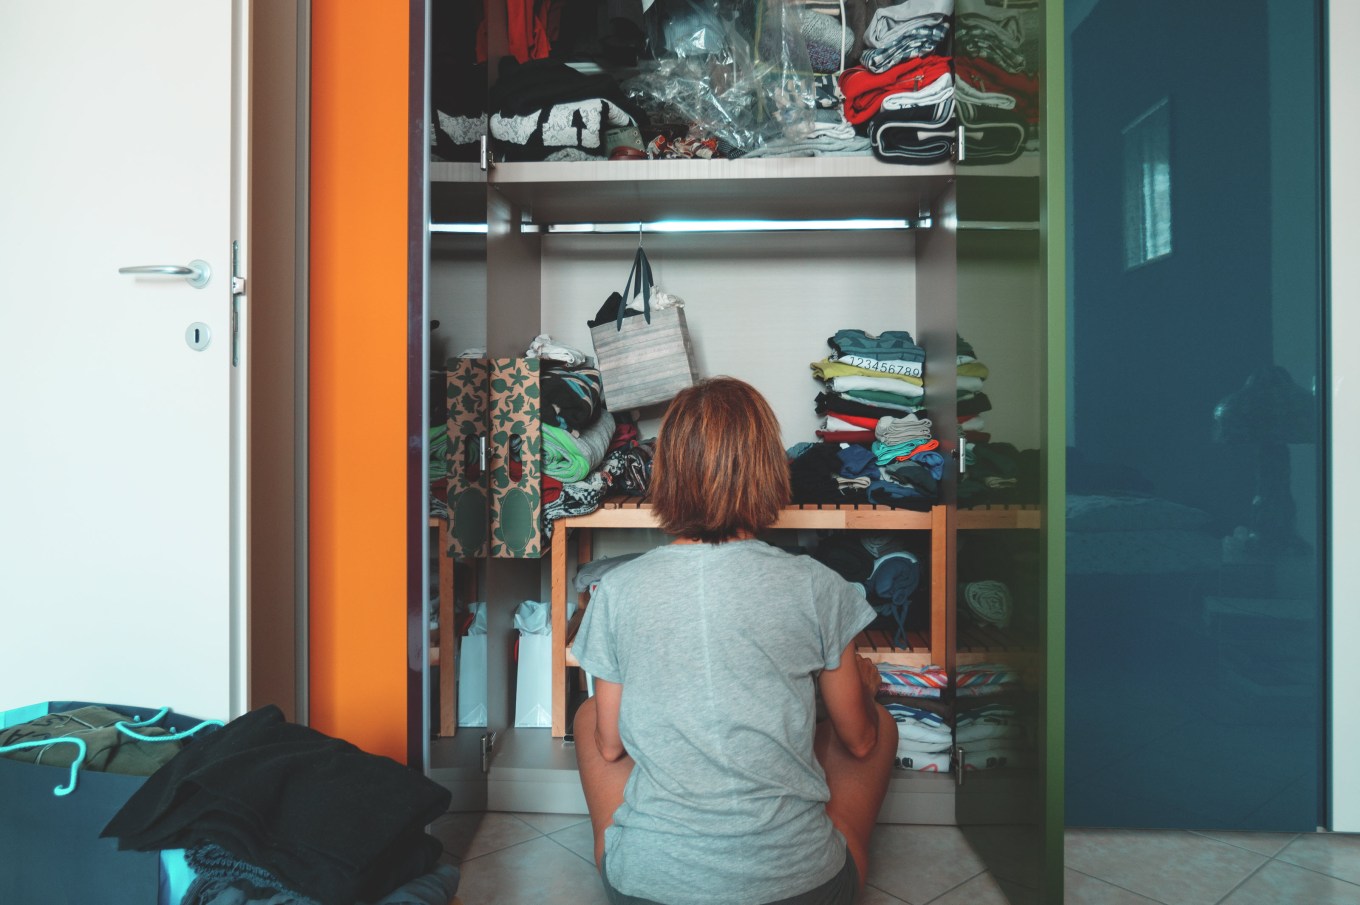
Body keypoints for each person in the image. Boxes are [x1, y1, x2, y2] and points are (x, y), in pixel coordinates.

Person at [572, 376, 897, 905]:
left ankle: (649, 854)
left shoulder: (619, 591)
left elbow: (611, 745)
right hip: (804, 889)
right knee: (875, 724)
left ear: (668, 471)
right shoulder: (817, 584)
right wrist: (860, 682)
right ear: (768, 468)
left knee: (591, 718)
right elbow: (859, 741)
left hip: (647, 891)